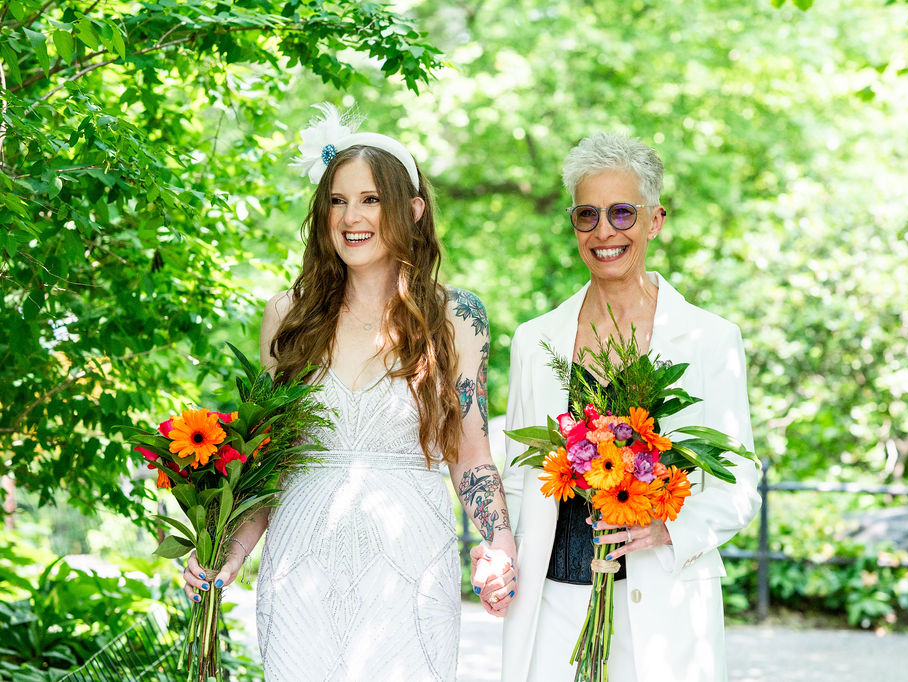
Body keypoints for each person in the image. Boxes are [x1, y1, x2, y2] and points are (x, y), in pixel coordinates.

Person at [181, 104, 517, 681]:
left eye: (370, 199)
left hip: (411, 559)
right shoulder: (287, 316)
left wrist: (499, 547)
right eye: (337, 200)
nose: (351, 217)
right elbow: (269, 462)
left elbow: (471, 453)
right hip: (301, 561)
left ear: (411, 209)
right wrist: (226, 552)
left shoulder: (456, 316)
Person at [488, 132, 761, 681]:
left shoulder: (710, 338)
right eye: (586, 215)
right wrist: (499, 554)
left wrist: (669, 529)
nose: (604, 232)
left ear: (655, 220)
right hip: (554, 608)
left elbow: (739, 483)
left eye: (621, 213)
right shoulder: (534, 341)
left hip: (666, 602)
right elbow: (520, 479)